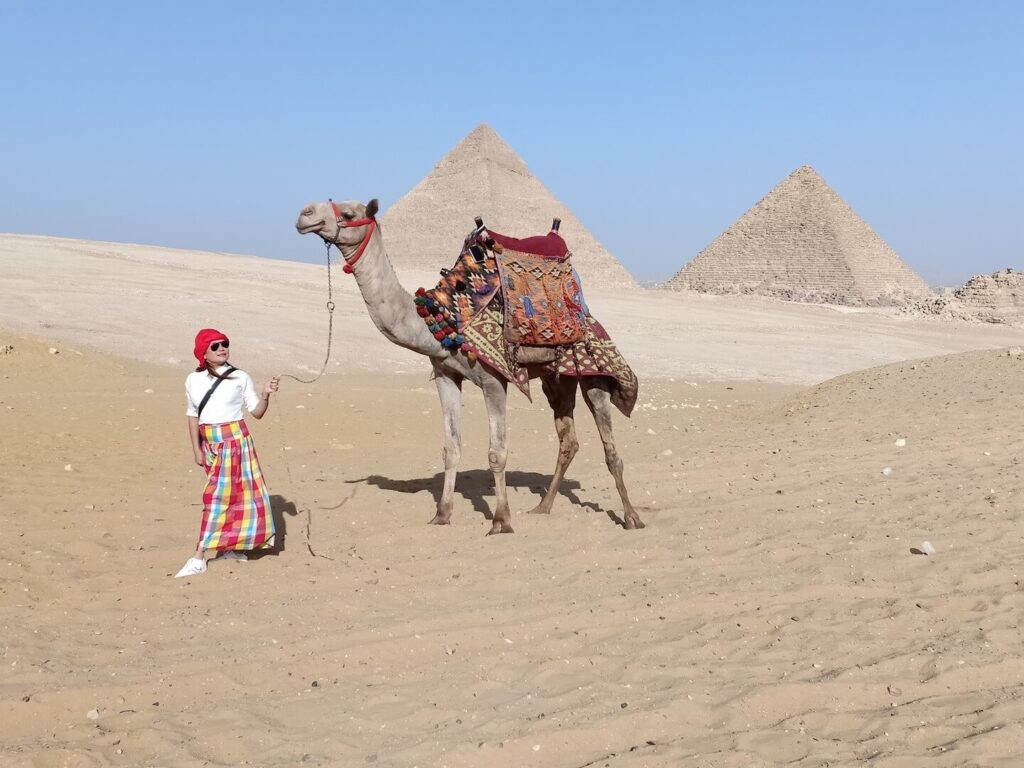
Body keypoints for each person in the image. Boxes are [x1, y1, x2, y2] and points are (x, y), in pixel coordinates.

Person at [175, 328, 280, 578]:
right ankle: (229, 547)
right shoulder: (193, 379)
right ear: (203, 353)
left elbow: (257, 412)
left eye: (224, 344)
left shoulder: (240, 377)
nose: (222, 349)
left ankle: (199, 556)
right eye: (215, 346)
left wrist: (265, 394)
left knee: (219, 498)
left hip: (235, 443)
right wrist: (197, 449)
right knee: (226, 496)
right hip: (210, 444)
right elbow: (192, 415)